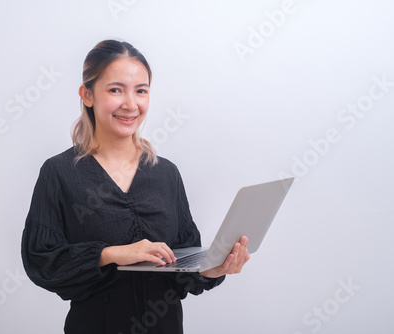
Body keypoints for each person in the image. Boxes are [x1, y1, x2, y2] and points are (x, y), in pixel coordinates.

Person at [21, 39, 250, 334]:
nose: (131, 104)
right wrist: (113, 253)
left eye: (141, 90)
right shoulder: (59, 173)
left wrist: (213, 269)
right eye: (116, 89)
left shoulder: (166, 173)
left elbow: (182, 268)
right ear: (87, 95)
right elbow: (42, 261)